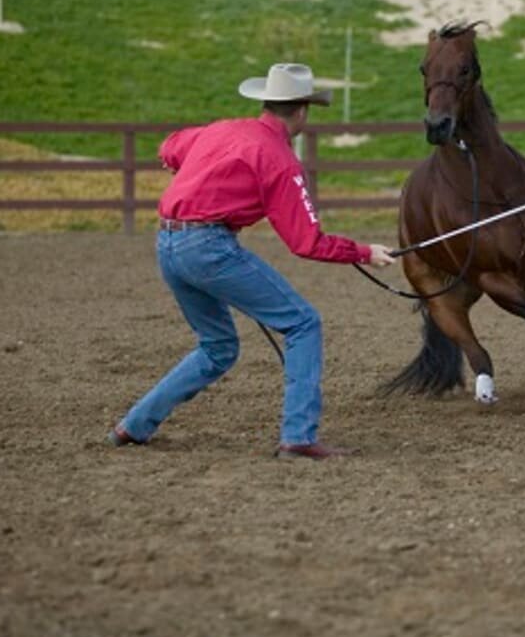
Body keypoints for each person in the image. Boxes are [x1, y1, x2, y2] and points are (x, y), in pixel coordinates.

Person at [109, 63, 396, 460]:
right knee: (302, 323)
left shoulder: (220, 129)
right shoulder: (279, 159)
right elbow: (306, 242)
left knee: (217, 347)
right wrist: (364, 251)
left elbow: (170, 146)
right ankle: (298, 436)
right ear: (301, 111)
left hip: (168, 245)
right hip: (208, 248)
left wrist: (197, 168)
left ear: (267, 101)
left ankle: (134, 425)